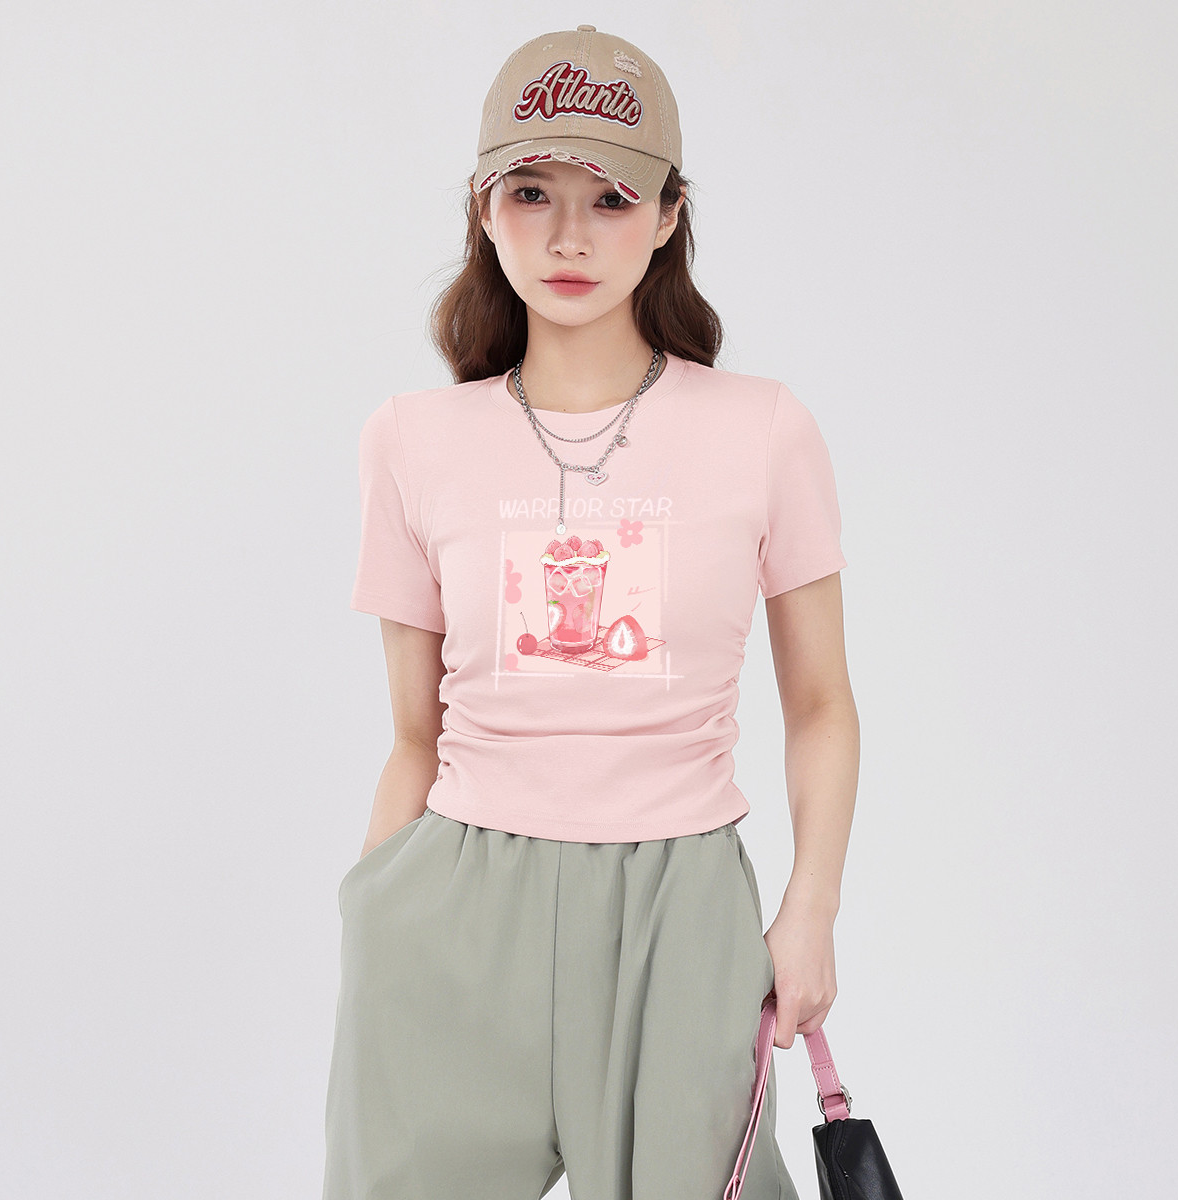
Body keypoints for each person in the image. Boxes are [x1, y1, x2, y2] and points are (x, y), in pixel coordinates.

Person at [322, 24, 859, 1200]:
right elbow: (414, 735)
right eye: (532, 192)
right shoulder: (410, 441)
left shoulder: (763, 430)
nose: (569, 236)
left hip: (680, 913)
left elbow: (820, 702)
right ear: (483, 207)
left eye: (611, 197)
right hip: (455, 916)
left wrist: (809, 908)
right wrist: (373, 922)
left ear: (669, 215)